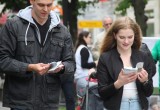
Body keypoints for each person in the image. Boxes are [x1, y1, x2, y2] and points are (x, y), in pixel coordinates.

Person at [0, 0, 75, 110]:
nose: (45, 9)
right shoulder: (13, 26)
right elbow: (2, 60)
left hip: (49, 101)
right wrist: (29, 67)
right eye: (41, 5)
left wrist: (62, 67)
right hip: (20, 102)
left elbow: (71, 64)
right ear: (32, 1)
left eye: (49, 5)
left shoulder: (62, 31)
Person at [96, 16, 156, 110]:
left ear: (135, 35)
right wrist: (119, 83)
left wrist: (145, 81)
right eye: (122, 37)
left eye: (130, 37)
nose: (126, 41)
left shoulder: (143, 56)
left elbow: (149, 92)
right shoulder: (105, 58)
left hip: (139, 105)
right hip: (116, 106)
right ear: (115, 35)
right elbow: (102, 92)